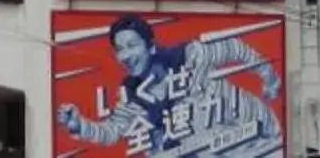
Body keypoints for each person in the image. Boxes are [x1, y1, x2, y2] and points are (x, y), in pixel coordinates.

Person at [57, 17, 284, 158]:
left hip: (259, 137)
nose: (125, 55)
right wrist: (80, 125)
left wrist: (270, 79)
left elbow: (236, 48)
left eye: (132, 46)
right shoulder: (134, 97)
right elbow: (112, 131)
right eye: (119, 49)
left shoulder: (190, 56)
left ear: (151, 46)